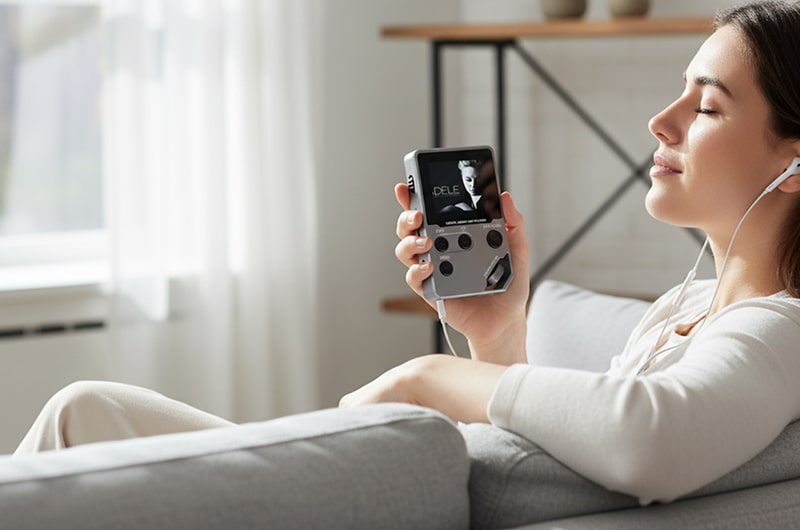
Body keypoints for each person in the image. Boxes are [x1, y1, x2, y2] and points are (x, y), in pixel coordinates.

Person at [12, 0, 800, 509]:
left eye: (706, 106)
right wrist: (497, 331)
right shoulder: (686, 309)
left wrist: (426, 377)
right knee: (89, 410)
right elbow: (544, 467)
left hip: (394, 500)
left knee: (83, 415)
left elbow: (648, 444)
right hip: (402, 486)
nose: (662, 120)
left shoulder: (780, 328)